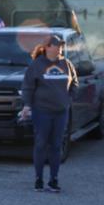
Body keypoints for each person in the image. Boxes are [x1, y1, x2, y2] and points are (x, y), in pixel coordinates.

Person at [21, 35, 78, 193]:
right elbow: (28, 87)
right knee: (40, 144)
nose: (59, 47)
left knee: (56, 146)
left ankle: (54, 180)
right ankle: (39, 179)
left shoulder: (66, 64)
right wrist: (27, 106)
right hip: (42, 112)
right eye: (55, 45)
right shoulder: (37, 65)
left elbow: (74, 83)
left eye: (60, 45)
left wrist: (68, 100)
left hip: (61, 112)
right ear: (46, 47)